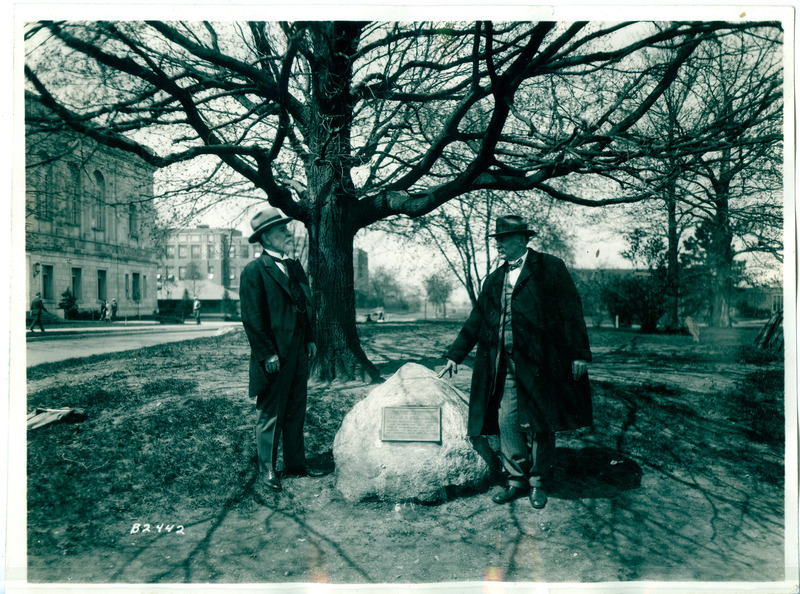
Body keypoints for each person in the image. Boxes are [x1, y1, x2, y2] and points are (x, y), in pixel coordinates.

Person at [439, 214, 592, 509]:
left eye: (503, 240)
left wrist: (579, 354)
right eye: (496, 240)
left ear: (522, 240)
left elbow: (572, 312)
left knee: (542, 422)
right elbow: (477, 320)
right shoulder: (495, 279)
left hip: (543, 364)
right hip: (504, 364)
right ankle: (516, 480)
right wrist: (455, 354)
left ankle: (538, 481)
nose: (498, 246)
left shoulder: (550, 268)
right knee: (506, 420)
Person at [239, 206, 327, 494]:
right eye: (282, 230)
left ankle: (296, 465)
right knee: (270, 414)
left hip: (300, 353)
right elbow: (252, 318)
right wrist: (267, 354)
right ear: (266, 237)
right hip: (274, 357)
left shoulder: (293, 266)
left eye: (287, 228)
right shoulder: (254, 271)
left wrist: (311, 339)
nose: (288, 233)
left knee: (295, 410)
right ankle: (267, 470)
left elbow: (305, 307)